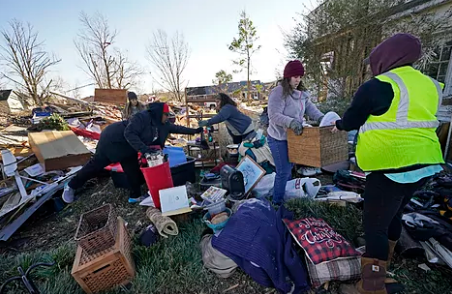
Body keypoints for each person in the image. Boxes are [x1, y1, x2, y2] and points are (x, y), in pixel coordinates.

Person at [333, 34, 444, 294]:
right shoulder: (430, 85)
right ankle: (387, 256)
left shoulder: (379, 85)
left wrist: (338, 124)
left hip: (391, 167)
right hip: (424, 165)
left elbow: (351, 120)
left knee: (374, 227)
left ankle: (370, 286)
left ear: (384, 59)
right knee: (395, 213)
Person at [63, 102, 203, 204]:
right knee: (95, 166)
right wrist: (145, 149)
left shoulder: (162, 124)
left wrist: (196, 131)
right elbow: (129, 133)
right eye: (166, 114)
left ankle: (135, 196)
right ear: (158, 113)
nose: (167, 117)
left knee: (132, 170)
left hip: (129, 148)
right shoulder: (142, 118)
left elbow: (177, 128)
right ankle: (71, 186)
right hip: (113, 141)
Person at [267, 60, 324, 205]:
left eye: (300, 76)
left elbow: (311, 109)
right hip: (278, 138)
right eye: (295, 76)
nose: (297, 79)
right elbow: (273, 114)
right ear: (287, 77)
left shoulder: (302, 94)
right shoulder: (279, 92)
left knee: (290, 168)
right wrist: (291, 122)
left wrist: (323, 119)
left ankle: (287, 196)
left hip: (294, 138)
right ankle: (277, 203)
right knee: (283, 171)